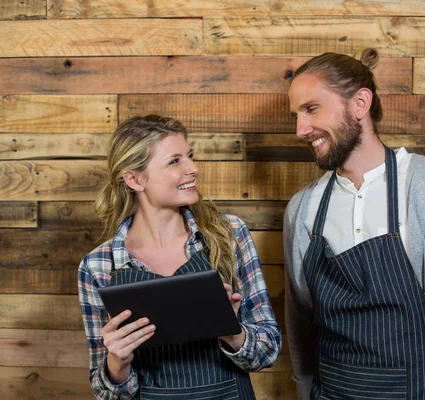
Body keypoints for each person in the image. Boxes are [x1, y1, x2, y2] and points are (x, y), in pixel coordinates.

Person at [283, 49, 425, 399]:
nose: (301, 129)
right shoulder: (303, 208)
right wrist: (305, 391)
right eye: (296, 115)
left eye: (311, 109)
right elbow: (300, 321)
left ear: (360, 103)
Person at [78, 115, 281, 399]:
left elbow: (268, 352)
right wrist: (117, 361)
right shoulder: (98, 266)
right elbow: (106, 393)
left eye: (190, 156)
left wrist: (232, 331)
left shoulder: (230, 234)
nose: (193, 169)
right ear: (135, 179)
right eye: (175, 161)